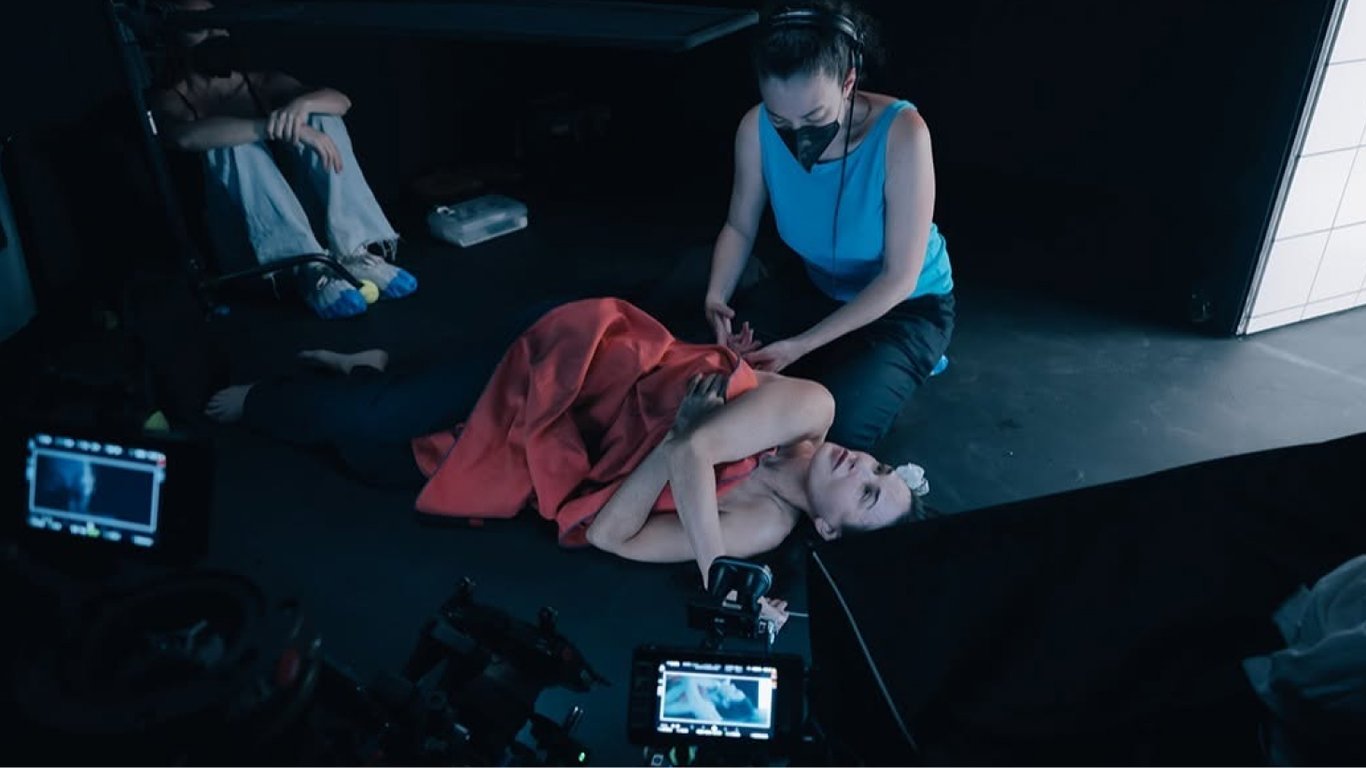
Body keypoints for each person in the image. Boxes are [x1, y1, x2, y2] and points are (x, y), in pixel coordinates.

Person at [203, 298, 932, 598]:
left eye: (867, 492)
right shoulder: (812, 408)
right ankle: (265, 397)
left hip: (560, 448)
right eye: (878, 467)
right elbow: (695, 455)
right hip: (578, 366)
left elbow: (611, 534)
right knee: (375, 420)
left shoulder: (764, 524)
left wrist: (676, 444)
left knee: (374, 458)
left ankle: (375, 366)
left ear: (828, 528)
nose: (861, 465)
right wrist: (720, 578)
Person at [700, 0, 955, 452]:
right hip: (817, 286)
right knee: (719, 376)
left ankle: (900, 357)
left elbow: (899, 277)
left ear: (848, 82)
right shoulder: (754, 128)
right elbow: (739, 226)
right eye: (781, 120)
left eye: (814, 118)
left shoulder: (904, 134)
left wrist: (802, 346)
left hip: (907, 305)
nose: (797, 133)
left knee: (839, 430)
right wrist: (716, 296)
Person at [150, 0, 417, 319]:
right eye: (198, 26)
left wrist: (302, 107)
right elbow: (183, 137)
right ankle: (307, 268)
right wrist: (267, 128)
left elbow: (341, 101)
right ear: (174, 35)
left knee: (321, 116)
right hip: (255, 244)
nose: (212, 33)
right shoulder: (170, 98)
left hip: (317, 226)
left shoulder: (259, 82)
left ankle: (353, 253)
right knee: (230, 142)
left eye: (216, 22)